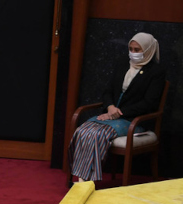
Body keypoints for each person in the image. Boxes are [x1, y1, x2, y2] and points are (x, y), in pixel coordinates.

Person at [69, 33, 166, 182]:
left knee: (98, 135)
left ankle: (88, 180)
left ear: (148, 50)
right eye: (131, 49)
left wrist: (118, 113)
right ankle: (82, 179)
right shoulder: (122, 64)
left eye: (137, 50)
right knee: (83, 131)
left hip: (134, 120)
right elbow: (108, 91)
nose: (133, 53)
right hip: (112, 114)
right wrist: (110, 107)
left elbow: (149, 103)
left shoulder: (156, 72)